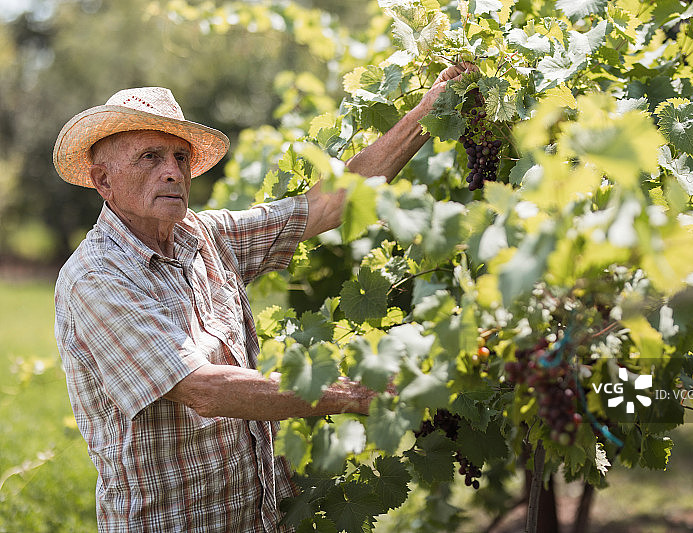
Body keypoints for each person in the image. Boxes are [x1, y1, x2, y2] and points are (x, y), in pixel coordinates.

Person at [52, 62, 472, 533]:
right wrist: (354, 394)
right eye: (150, 157)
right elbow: (207, 390)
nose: (172, 172)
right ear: (103, 182)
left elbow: (329, 205)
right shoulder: (97, 278)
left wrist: (428, 111)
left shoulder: (204, 236)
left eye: (180, 158)